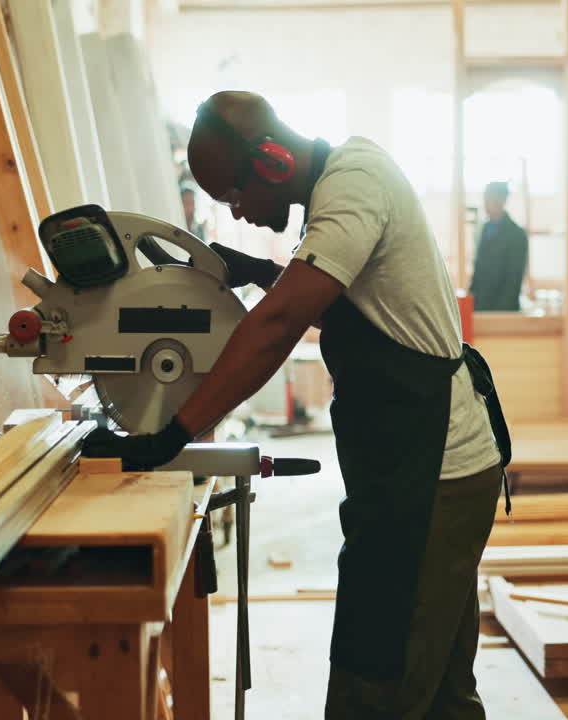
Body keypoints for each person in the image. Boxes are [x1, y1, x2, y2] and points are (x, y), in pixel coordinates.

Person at [82, 91, 511, 719]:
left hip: (432, 477)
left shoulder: (353, 184)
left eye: (233, 196)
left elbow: (280, 322)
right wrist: (258, 268)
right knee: (441, 692)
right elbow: (358, 307)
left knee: (378, 682)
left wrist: (170, 434)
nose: (238, 212)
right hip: (416, 470)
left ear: (275, 162)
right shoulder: (342, 184)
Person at [468, 181, 528, 311]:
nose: (485, 204)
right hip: (479, 307)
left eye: (489, 198)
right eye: (485, 198)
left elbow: (514, 280)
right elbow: (478, 271)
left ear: (502, 200)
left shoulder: (517, 234)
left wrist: (499, 314)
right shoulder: (484, 229)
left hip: (503, 311)